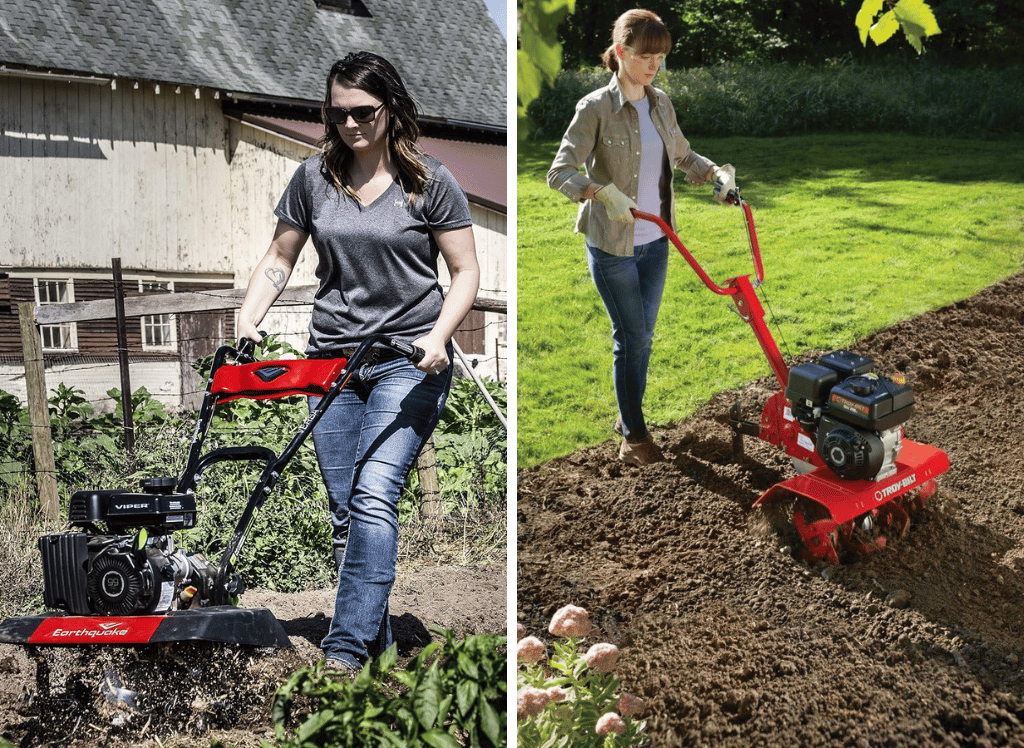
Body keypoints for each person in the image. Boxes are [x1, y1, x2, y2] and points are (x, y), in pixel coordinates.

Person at [237, 51, 479, 670]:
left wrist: (439, 337)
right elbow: (280, 257)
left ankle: (344, 652)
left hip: (408, 358)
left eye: (363, 112)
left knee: (374, 496)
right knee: (347, 510)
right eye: (338, 113)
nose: (350, 124)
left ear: (390, 108)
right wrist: (248, 315)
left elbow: (464, 270)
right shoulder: (314, 178)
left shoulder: (429, 181)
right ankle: (379, 651)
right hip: (333, 364)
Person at [547, 9, 736, 467]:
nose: (655, 65)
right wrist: (598, 191)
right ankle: (633, 437)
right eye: (646, 55)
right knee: (632, 338)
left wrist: (715, 174)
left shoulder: (661, 103)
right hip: (613, 245)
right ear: (620, 53)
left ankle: (626, 412)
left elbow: (683, 155)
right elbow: (559, 172)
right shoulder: (594, 108)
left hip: (657, 240)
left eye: (661, 57)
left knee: (642, 337)